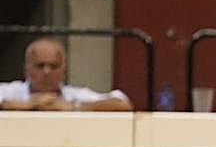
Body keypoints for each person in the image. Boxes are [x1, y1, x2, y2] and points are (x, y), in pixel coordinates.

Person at [0, 38, 132, 112]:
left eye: (54, 66)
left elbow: (122, 104)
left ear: (64, 70)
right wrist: (24, 106)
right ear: (26, 69)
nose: (47, 72)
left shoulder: (74, 96)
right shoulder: (10, 92)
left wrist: (74, 107)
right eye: (40, 66)